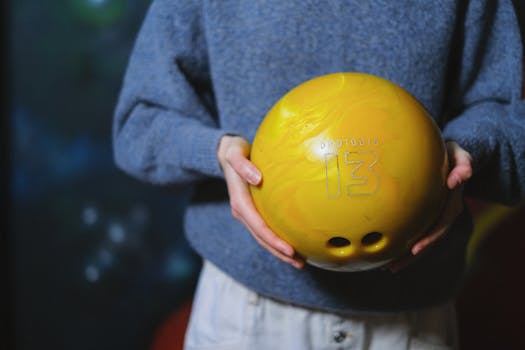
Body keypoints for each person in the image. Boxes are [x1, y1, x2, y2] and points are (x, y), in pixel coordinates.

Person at [113, 1, 525, 349]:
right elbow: (139, 125)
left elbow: (509, 123)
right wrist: (218, 152)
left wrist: (463, 154)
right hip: (245, 315)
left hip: (410, 322)